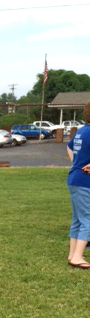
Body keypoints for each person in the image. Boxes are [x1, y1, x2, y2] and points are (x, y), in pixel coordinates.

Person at [67, 101, 90, 269]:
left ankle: (72, 254)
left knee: (77, 219)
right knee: (87, 219)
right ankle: (77, 256)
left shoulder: (82, 130)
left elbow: (69, 147)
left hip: (74, 179)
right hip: (85, 182)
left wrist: (75, 163)